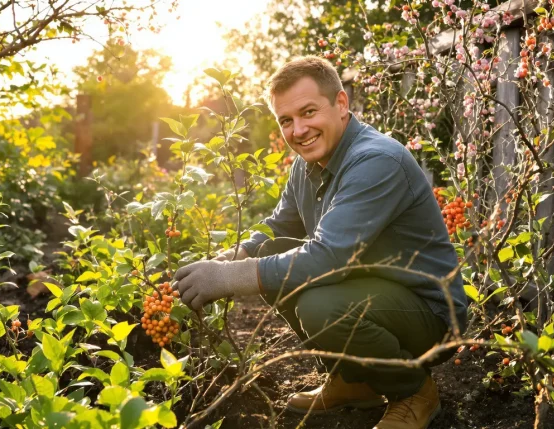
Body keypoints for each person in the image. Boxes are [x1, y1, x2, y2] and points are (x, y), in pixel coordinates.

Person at [172, 55, 468, 429]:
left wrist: (226, 278)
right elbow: (277, 228)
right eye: (286, 120)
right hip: (374, 289)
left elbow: (329, 256)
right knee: (272, 252)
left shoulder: (376, 160)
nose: (298, 130)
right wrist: (224, 260)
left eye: (308, 112)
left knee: (320, 306)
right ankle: (352, 380)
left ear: (341, 104)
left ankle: (413, 391)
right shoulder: (307, 163)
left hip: (429, 311)